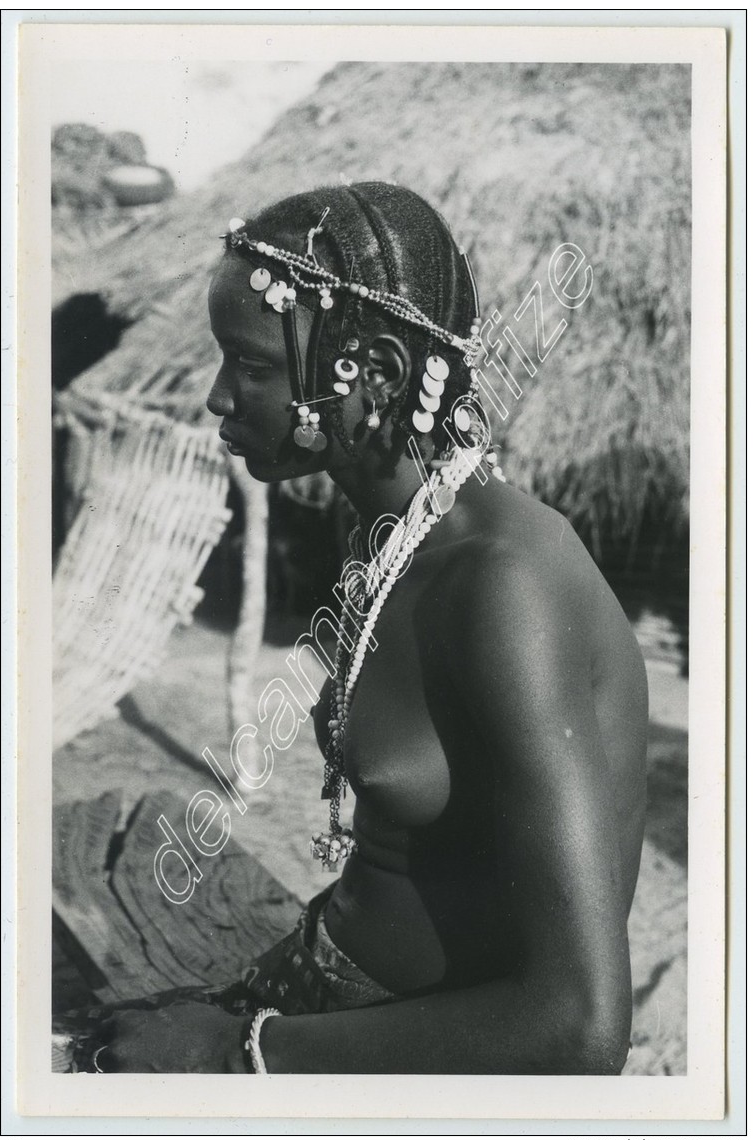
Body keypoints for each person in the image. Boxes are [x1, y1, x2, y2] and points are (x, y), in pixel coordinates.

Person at [55, 182, 648, 1075]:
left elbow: (580, 1028)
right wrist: (245, 997)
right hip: (314, 1000)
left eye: (250, 367)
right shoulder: (389, 541)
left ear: (373, 374)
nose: (218, 397)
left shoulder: (504, 589)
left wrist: (239, 1053)